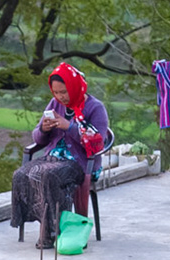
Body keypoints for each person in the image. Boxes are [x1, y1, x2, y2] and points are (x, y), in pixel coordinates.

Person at [11, 63, 110, 250]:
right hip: (53, 158)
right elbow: (37, 138)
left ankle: (51, 231)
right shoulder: (55, 104)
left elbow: (97, 143)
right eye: (56, 92)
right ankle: (46, 223)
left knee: (49, 176)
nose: (60, 97)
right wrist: (43, 129)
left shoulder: (95, 108)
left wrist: (69, 127)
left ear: (74, 86)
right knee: (21, 175)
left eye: (64, 92)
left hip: (81, 163)